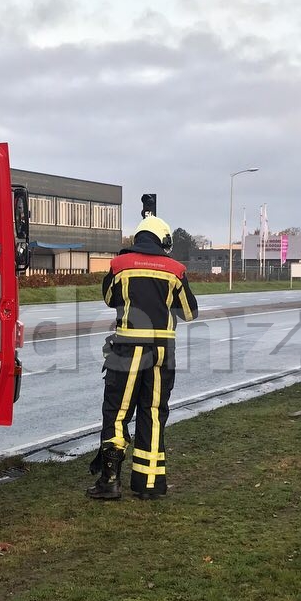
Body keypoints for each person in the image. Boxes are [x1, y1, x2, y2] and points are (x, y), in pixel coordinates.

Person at [88, 213, 198, 500]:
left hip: (125, 351)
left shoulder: (119, 265)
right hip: (162, 354)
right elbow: (189, 312)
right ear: (162, 240)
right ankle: (149, 484)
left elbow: (110, 298)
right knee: (152, 413)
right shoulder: (175, 270)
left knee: (117, 413)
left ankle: (110, 481)